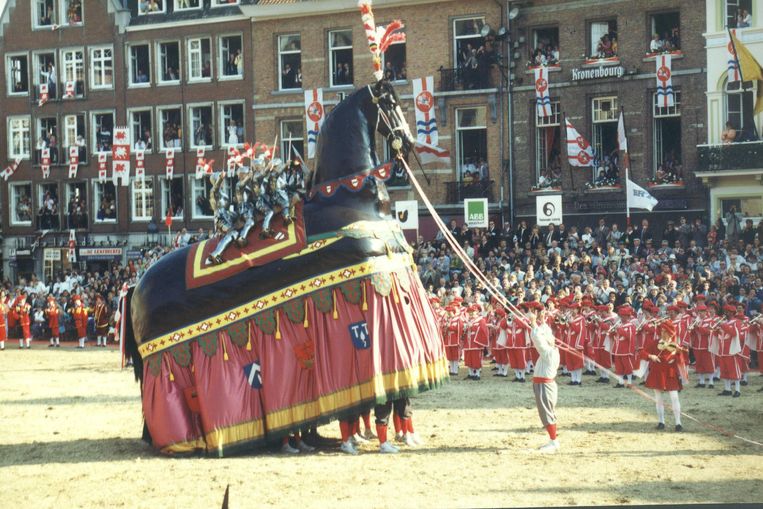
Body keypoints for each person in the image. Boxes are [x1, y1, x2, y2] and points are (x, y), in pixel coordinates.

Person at [527, 301, 560, 453]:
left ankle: (553, 441)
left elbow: (539, 341)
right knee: (548, 413)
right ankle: (553, 440)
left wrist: (533, 323)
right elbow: (544, 334)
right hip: (543, 384)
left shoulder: (550, 353)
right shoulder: (551, 349)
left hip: (545, 386)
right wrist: (541, 320)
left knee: (546, 414)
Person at [640, 320, 685, 431]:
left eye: (665, 331)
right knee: (658, 398)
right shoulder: (656, 343)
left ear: (670, 333)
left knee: (674, 397)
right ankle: (661, 421)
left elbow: (681, 361)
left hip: (670, 373)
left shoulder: (675, 345)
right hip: (657, 372)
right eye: (662, 331)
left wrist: (678, 354)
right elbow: (642, 352)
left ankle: (678, 423)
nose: (662, 333)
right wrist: (651, 356)